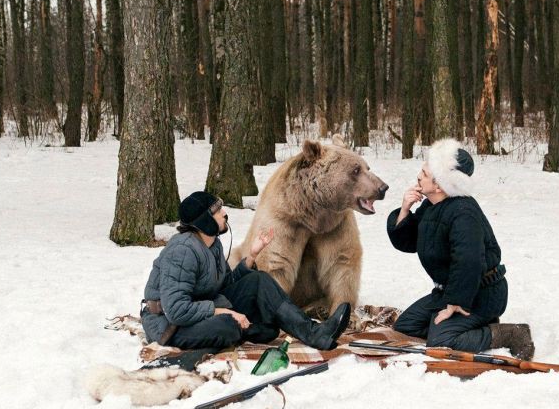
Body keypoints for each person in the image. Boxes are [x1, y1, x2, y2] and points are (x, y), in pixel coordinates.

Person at [141, 191, 351, 351]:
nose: (225, 213)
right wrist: (226, 311)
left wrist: (251, 256)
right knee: (228, 325)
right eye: (217, 211)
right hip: (169, 325)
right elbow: (176, 310)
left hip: (200, 309)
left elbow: (223, 285)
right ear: (204, 220)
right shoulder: (182, 250)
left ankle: (315, 333)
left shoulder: (212, 245)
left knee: (258, 280)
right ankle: (246, 328)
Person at [387, 139, 534, 360]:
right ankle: (470, 326)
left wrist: (455, 303)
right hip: (450, 290)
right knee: (405, 326)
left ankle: (509, 334)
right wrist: (405, 209)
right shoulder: (431, 205)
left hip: (481, 294)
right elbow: (408, 242)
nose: (419, 175)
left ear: (439, 185)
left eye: (425, 173)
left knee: (441, 342)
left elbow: (469, 262)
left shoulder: (464, 213)